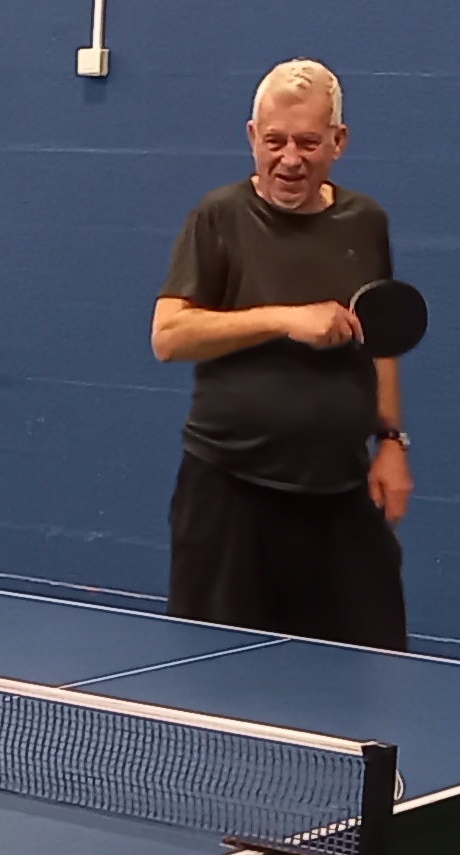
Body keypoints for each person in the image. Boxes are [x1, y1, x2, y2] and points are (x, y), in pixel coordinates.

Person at [150, 59, 413, 648]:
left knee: (371, 668)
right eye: (275, 142)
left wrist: (391, 443)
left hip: (341, 494)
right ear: (252, 137)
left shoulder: (366, 222)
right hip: (229, 494)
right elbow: (168, 335)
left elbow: (382, 344)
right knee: (215, 678)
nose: (289, 159)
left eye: (308, 143)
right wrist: (285, 318)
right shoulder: (218, 217)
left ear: (338, 142)